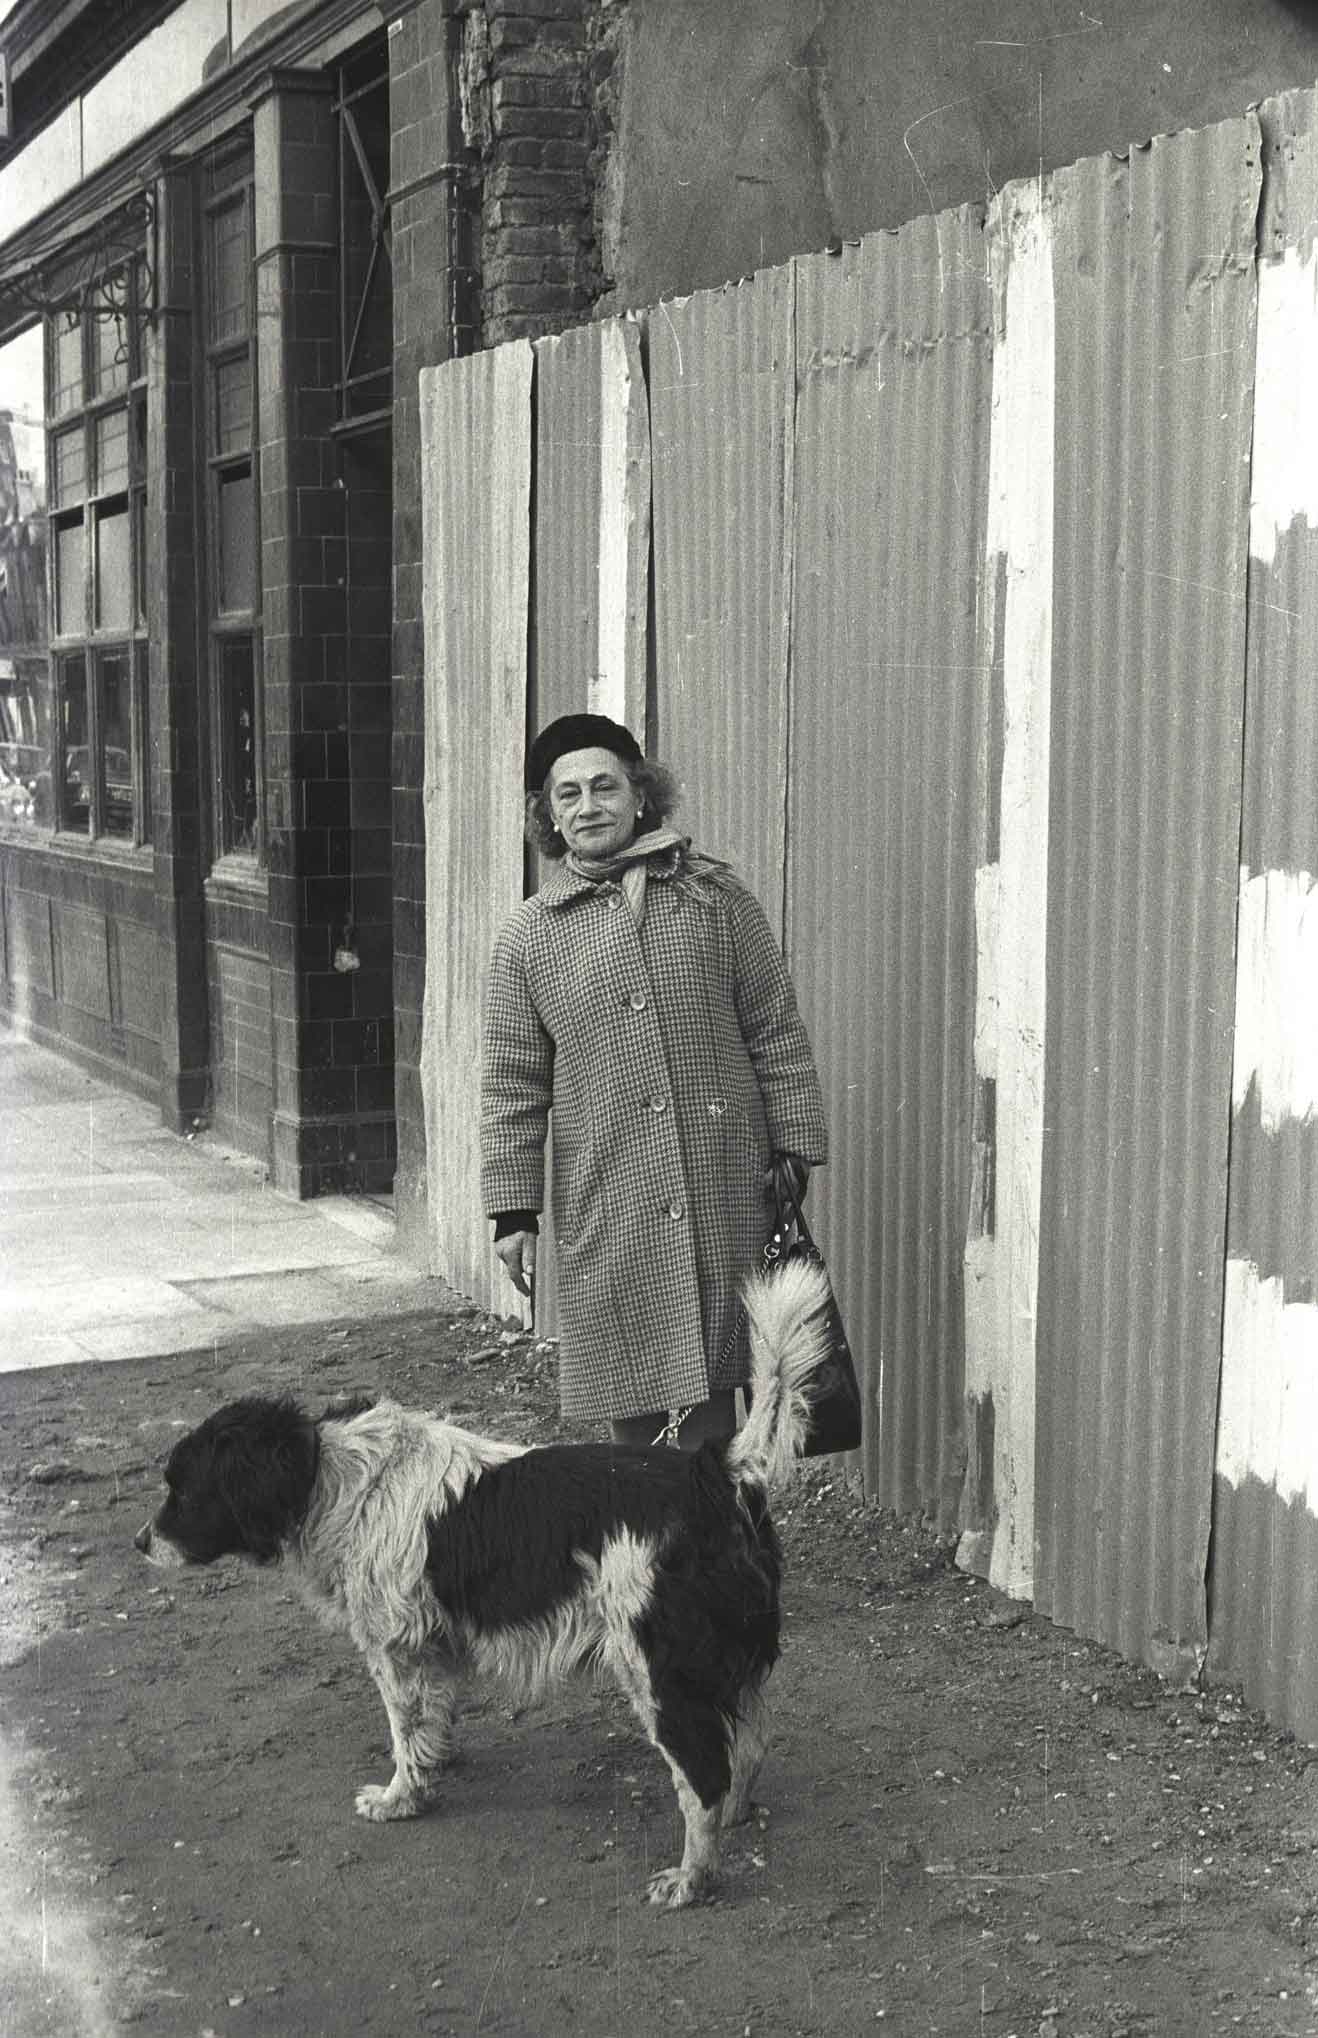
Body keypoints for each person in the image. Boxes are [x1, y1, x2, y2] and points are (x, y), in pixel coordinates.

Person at [479, 712, 828, 1451]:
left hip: (725, 1184)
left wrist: (793, 1144)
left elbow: (775, 1026)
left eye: (604, 786)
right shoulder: (529, 936)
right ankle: (655, 1549)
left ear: (641, 794)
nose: (587, 806)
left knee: (731, 1382)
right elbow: (512, 1087)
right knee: (635, 1395)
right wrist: (513, 1213)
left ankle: (717, 1547)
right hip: (611, 1196)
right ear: (548, 815)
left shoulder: (716, 899)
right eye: (566, 795)